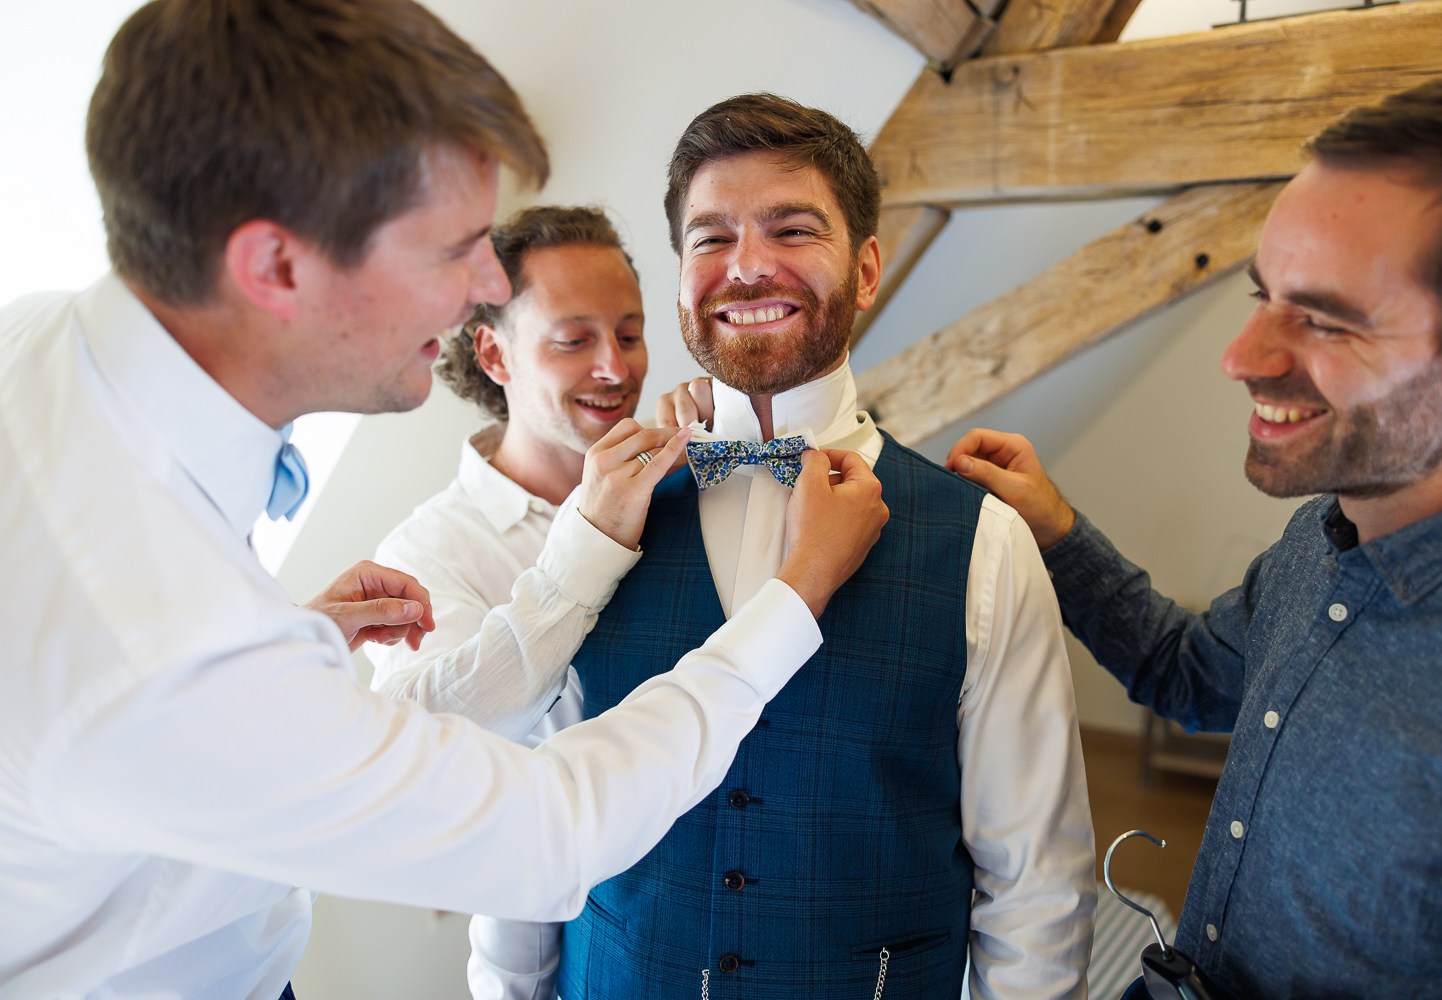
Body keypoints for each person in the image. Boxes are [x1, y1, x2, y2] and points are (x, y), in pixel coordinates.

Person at [0, 3, 889, 998]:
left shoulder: (34, 343)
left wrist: (280, 644)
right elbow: (550, 836)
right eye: (452, 249)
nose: (480, 292)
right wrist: (794, 597)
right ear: (276, 265)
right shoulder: (172, 652)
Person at [499, 94, 1096, 1000]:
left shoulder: (985, 546)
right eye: (710, 238)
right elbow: (527, 819)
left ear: (864, 270)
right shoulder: (597, 519)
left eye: (791, 229)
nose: (747, 267)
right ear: (678, 279)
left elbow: (1037, 888)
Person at [947, 75, 1442, 999]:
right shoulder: (1319, 540)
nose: (1240, 357)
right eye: (1262, 295)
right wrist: (1057, 528)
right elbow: (1187, 672)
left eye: (1323, 318)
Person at [363, 205, 663, 999]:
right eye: (574, 340)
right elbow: (438, 755)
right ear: (493, 351)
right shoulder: (427, 557)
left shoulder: (688, 491)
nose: (615, 367)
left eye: (629, 334)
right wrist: (590, 545)